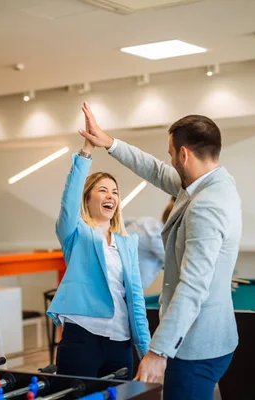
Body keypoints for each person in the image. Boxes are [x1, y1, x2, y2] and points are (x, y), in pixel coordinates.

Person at [78, 102, 242, 400]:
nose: (169, 160)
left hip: (193, 346)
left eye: (171, 153)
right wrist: (109, 142)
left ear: (184, 154)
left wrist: (158, 351)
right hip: (214, 339)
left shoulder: (206, 205)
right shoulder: (215, 183)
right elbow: (154, 170)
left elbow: (193, 287)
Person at [46, 136, 150, 379]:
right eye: (102, 190)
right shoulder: (76, 233)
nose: (110, 196)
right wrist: (86, 152)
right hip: (83, 337)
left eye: (114, 192)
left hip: (121, 342)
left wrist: (145, 351)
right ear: (87, 199)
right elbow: (69, 201)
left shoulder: (127, 242)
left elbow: (135, 298)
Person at [124, 197, 176, 290]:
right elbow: (173, 263)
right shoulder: (158, 239)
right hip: (132, 282)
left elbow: (123, 221)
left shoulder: (147, 221)